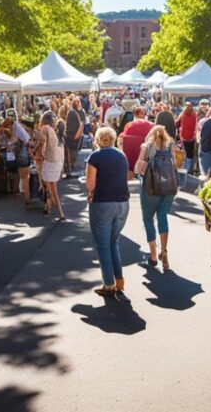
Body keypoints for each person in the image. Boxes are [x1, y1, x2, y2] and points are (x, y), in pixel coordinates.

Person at [85, 127, 130, 296]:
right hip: (123, 203)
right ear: (113, 139)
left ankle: (109, 284)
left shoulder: (95, 157)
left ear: (98, 140)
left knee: (103, 245)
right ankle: (119, 280)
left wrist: (90, 193)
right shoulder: (121, 155)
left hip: (103, 203)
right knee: (113, 242)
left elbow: (90, 185)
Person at [134, 125, 176, 269]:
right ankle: (164, 251)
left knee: (148, 219)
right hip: (168, 187)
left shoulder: (146, 146)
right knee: (163, 216)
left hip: (150, 188)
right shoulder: (170, 147)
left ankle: (152, 255)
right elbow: (175, 166)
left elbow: (138, 168)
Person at [35, 112, 66, 222]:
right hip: (57, 162)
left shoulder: (45, 128)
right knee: (51, 189)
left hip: (49, 162)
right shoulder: (55, 131)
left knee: (51, 190)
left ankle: (61, 213)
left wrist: (36, 152)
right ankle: (48, 208)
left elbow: (41, 143)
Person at [118, 106, 153, 179]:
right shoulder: (151, 125)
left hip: (130, 157)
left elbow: (123, 138)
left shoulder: (129, 125)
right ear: (145, 114)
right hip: (145, 156)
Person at [176, 102, 198, 176]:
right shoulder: (194, 115)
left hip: (186, 137)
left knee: (187, 154)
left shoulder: (183, 114)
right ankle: (189, 170)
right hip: (191, 137)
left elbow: (177, 123)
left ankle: (187, 170)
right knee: (190, 154)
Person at [64, 100, 85, 178]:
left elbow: (81, 124)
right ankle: (70, 169)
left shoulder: (77, 112)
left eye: (78, 102)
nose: (78, 104)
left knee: (72, 153)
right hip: (72, 137)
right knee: (71, 153)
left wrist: (77, 136)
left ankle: (70, 169)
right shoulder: (72, 113)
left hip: (74, 137)